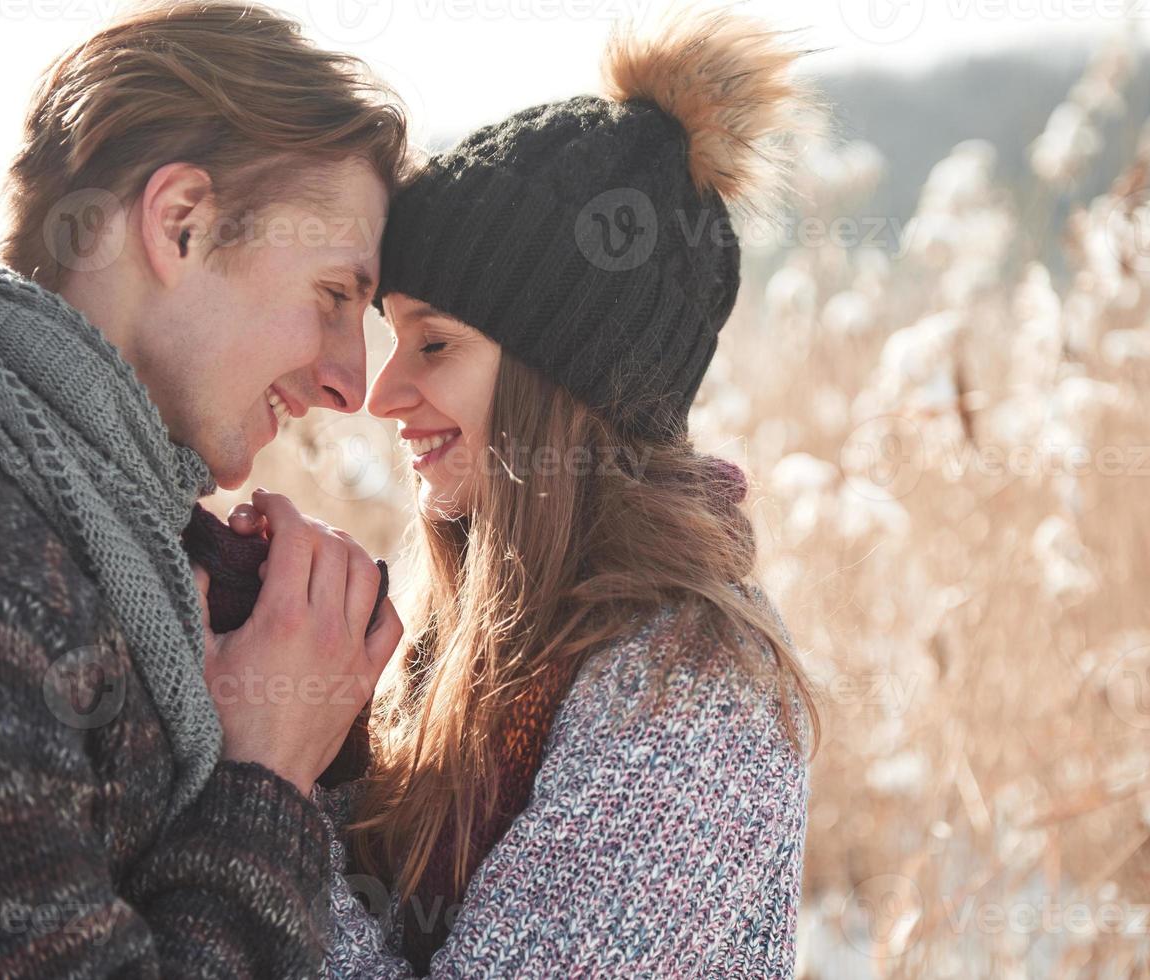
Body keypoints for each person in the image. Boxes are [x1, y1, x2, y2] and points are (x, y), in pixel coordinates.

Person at [308, 10, 822, 977]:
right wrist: (324, 737)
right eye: (391, 335)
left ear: (565, 382)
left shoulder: (689, 693)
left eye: (435, 343)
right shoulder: (486, 627)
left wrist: (268, 802)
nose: (381, 392)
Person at [0, 3, 407, 976]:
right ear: (181, 224)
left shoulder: (98, 530)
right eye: (333, 295)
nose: (349, 382)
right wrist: (265, 777)